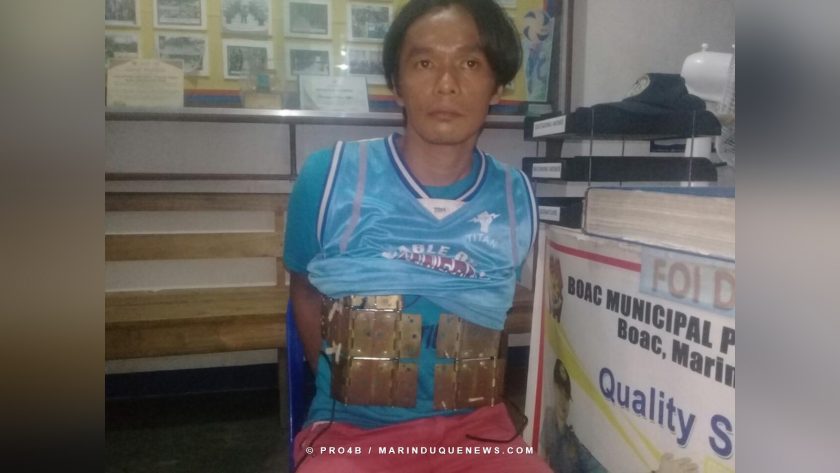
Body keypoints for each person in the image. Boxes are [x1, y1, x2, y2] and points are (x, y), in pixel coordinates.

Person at [283, 0, 549, 471]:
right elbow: (304, 291)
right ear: (396, 84)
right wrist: (344, 384)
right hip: (352, 432)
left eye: (470, 63)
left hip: (475, 432)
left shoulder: (516, 197)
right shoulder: (329, 179)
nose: (446, 83)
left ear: (498, 87)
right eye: (424, 63)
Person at [541, 359, 699, 473]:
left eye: (566, 395)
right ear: (553, 388)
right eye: (560, 390)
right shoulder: (549, 424)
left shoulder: (576, 444)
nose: (563, 401)